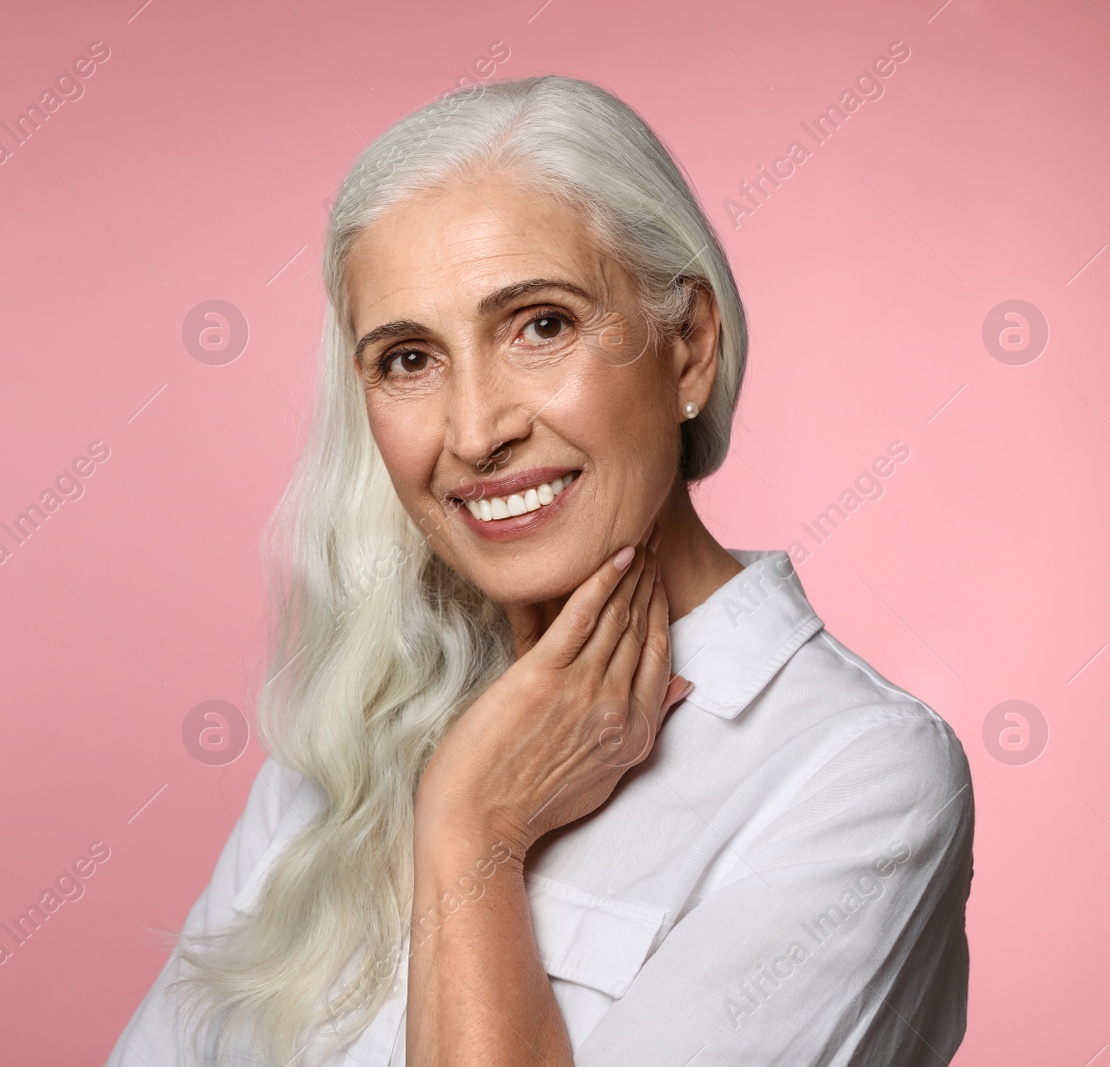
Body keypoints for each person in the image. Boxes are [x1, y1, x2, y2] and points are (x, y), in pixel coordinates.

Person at [104, 74, 973, 1066]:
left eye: (540, 324)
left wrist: (471, 831)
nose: (475, 432)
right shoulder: (344, 740)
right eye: (407, 358)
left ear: (688, 346)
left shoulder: (853, 770)